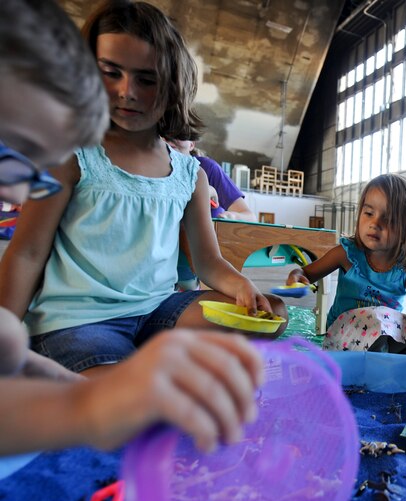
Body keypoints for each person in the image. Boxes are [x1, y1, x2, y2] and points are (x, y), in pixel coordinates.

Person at [0, 0, 263, 456]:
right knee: (125, 408)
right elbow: (25, 253)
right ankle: (121, 378)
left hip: (158, 311)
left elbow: (207, 261)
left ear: (173, 86)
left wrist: (242, 287)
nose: (128, 92)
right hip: (79, 323)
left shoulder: (190, 173)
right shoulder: (74, 157)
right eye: (111, 72)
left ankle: (153, 370)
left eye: (147, 79)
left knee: (262, 318)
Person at [286, 173, 406, 366]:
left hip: (382, 333)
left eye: (388, 219)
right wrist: (296, 278)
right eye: (369, 213)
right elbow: (305, 273)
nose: (375, 223)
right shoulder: (347, 253)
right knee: (376, 317)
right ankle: (381, 363)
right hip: (342, 335)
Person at [166, 138, 255, 290]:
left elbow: (248, 215)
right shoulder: (154, 169)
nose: (170, 138)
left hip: (207, 261)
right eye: (163, 134)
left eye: (179, 134)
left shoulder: (205, 168)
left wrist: (230, 216)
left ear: (192, 143)